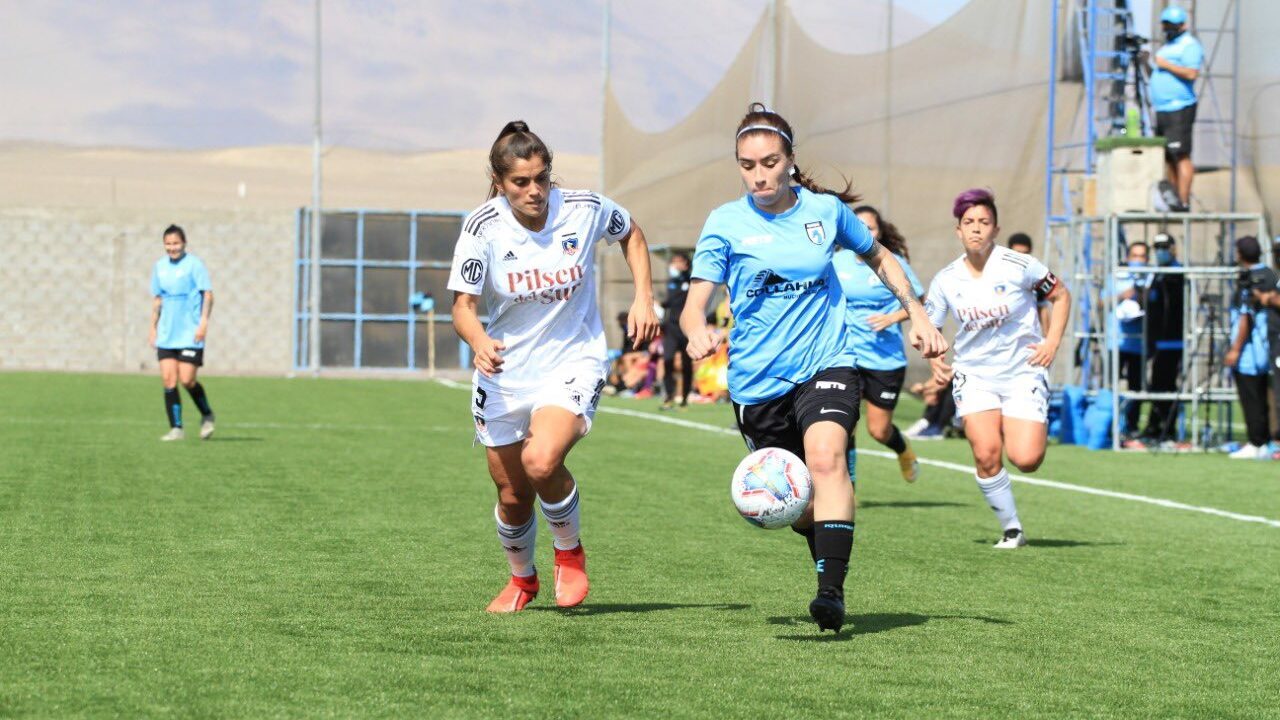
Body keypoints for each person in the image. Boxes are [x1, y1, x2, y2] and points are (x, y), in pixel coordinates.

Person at [680, 104, 946, 633]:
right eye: (747, 164)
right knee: (800, 507)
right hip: (757, 382)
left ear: (790, 160)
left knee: (828, 460)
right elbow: (695, 302)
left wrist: (915, 311)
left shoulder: (824, 212)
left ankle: (831, 593)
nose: (759, 174)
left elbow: (880, 257)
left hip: (828, 360)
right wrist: (696, 331)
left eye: (769, 162)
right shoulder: (725, 223)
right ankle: (822, 542)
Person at [448, 120, 659, 613]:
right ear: (500, 183)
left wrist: (644, 298)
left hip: (573, 359)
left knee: (541, 460)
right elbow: (462, 306)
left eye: (542, 177)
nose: (535, 190)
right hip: (505, 372)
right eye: (521, 182)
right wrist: (479, 340)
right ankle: (522, 580)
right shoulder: (482, 227)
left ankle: (570, 552)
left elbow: (631, 234)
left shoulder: (584, 210)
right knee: (513, 495)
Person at [925, 189, 1071, 549]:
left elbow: (1061, 295)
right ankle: (1012, 529)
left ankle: (1022, 421)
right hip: (975, 375)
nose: (977, 229)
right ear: (958, 231)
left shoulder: (1021, 266)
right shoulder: (946, 279)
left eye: (984, 222)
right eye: (969, 223)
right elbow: (931, 327)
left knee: (1026, 458)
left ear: (996, 228)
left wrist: (1051, 342)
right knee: (986, 453)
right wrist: (936, 362)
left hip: (1023, 371)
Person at [833, 204, 923, 484]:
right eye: (858, 226)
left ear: (880, 231)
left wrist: (893, 316)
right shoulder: (837, 261)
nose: (864, 232)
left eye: (870, 227)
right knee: (843, 426)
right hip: (846, 357)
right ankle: (848, 488)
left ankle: (903, 449)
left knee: (879, 430)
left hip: (885, 359)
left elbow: (920, 302)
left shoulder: (892, 262)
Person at [149, 224, 216, 442]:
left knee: (187, 380)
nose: (172, 248)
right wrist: (152, 328)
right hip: (167, 334)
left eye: (176, 243)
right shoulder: (159, 267)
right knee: (169, 380)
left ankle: (206, 414)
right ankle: (176, 428)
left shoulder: (194, 265)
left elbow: (208, 295)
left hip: (190, 334)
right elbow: (157, 299)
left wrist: (203, 323)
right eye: (168, 244)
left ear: (184, 243)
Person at [1150, 5, 1203, 211]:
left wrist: (1165, 65)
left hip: (1179, 107)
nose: (1168, 30)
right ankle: (1171, 200)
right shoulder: (1167, 47)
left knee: (1180, 153)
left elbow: (1191, 73)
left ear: (1182, 25)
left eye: (1172, 26)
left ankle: (1183, 200)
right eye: (1165, 26)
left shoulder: (1189, 45)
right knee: (1168, 155)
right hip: (1162, 108)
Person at [1226, 236, 1274, 458]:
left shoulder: (1252, 279)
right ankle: (1263, 442)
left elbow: (1246, 316)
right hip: (1266, 347)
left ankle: (1256, 442)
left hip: (1251, 350)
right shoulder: (1271, 275)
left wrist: (1235, 348)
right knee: (1262, 395)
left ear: (1240, 254)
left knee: (1250, 396)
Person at [1141, 233, 1185, 441]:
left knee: (1165, 383)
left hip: (1172, 341)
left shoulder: (1176, 273)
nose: (1160, 251)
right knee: (1156, 383)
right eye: (1157, 247)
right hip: (1156, 339)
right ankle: (1155, 425)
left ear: (1173, 248)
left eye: (1164, 247)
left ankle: (1166, 427)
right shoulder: (1156, 273)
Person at [1115, 242, 1151, 439]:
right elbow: (1102, 302)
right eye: (1135, 255)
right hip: (1117, 341)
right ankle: (1111, 426)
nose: (1138, 260)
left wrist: (1141, 295)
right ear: (1128, 257)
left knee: (1136, 387)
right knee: (1111, 386)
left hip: (1139, 344)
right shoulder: (1117, 276)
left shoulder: (1150, 279)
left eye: (1142, 256)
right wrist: (1122, 295)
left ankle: (1132, 426)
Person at [660, 251, 694, 410]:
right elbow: (668, 301)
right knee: (668, 361)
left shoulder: (692, 281)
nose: (675, 265)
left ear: (686, 264)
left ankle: (684, 398)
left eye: (678, 262)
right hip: (671, 328)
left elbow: (677, 300)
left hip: (686, 327)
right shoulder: (672, 282)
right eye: (674, 262)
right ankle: (668, 396)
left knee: (687, 364)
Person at [1008, 232, 1052, 331]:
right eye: (1018, 253)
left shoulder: (1035, 277)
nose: (1021, 258)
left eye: (1025, 254)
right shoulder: (999, 276)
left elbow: (1042, 307)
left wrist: (1048, 339)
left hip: (1028, 337)